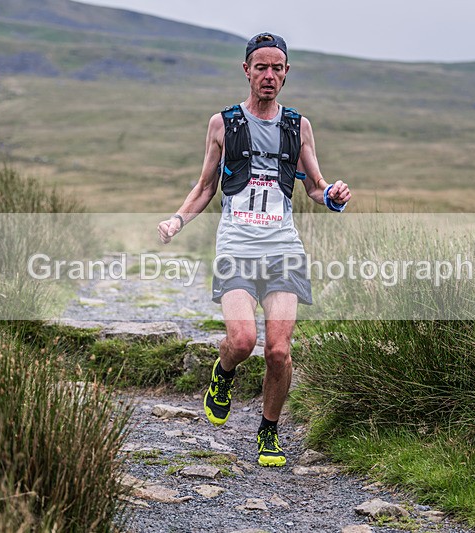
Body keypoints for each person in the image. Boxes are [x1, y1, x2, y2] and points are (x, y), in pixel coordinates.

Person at [157, 32, 351, 467]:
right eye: (260, 67)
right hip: (237, 247)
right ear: (246, 70)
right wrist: (177, 219)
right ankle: (222, 374)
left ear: (286, 74)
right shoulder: (223, 123)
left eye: (276, 68)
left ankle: (269, 432)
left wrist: (335, 195)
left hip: (282, 248)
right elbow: (206, 185)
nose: (268, 75)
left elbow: (317, 189)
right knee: (243, 341)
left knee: (279, 351)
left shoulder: (296, 126)